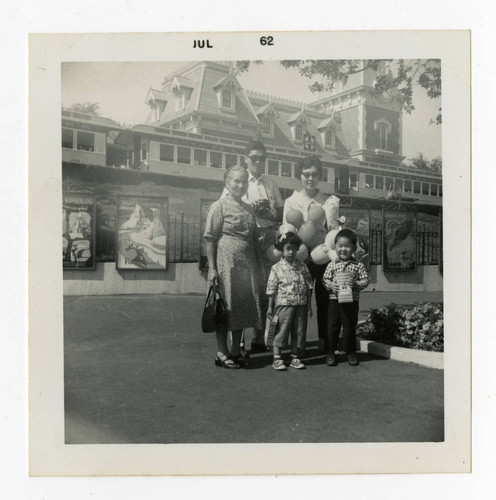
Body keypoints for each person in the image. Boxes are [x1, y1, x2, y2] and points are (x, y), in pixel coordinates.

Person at [222, 140, 284, 353]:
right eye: (253, 158)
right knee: (242, 290)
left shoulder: (271, 183)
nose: (258, 161)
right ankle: (238, 342)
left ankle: (261, 338)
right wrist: (251, 209)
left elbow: (281, 213)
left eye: (262, 158)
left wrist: (271, 214)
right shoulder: (238, 180)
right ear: (246, 158)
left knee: (267, 288)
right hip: (244, 239)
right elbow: (226, 208)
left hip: (267, 238)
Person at [204, 166, 264, 369]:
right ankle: (221, 353)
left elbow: (254, 240)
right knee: (224, 307)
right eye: (236, 181)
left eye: (244, 181)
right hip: (225, 264)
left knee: (241, 307)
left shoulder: (248, 208)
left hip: (246, 265)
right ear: (227, 183)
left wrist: (259, 267)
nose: (240, 185)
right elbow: (210, 239)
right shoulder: (218, 206)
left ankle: (236, 351)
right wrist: (212, 269)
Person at [283, 155, 340, 353]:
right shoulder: (291, 201)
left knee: (325, 300)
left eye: (315, 175)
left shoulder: (328, 201)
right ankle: (297, 344)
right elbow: (288, 230)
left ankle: (325, 340)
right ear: (300, 175)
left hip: (322, 256)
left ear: (320, 176)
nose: (310, 178)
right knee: (297, 301)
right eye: (306, 174)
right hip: (300, 257)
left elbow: (332, 229)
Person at [322, 229, 370, 366]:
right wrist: (331, 285)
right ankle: (331, 352)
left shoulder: (358, 265)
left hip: (351, 302)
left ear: (354, 248)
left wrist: (355, 284)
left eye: (347, 246)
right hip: (334, 301)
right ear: (335, 247)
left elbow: (365, 280)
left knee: (349, 327)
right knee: (332, 327)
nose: (343, 249)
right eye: (340, 246)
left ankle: (350, 352)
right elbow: (325, 280)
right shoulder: (331, 265)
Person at [266, 232, 313, 370]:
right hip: (283, 305)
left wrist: (309, 305)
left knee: (299, 331)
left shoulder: (303, 266)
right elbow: (271, 288)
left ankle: (295, 357)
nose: (291, 251)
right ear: (282, 249)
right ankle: (277, 358)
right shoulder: (276, 268)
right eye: (288, 248)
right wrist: (270, 307)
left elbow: (309, 285)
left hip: (301, 304)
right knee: (282, 330)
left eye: (294, 248)